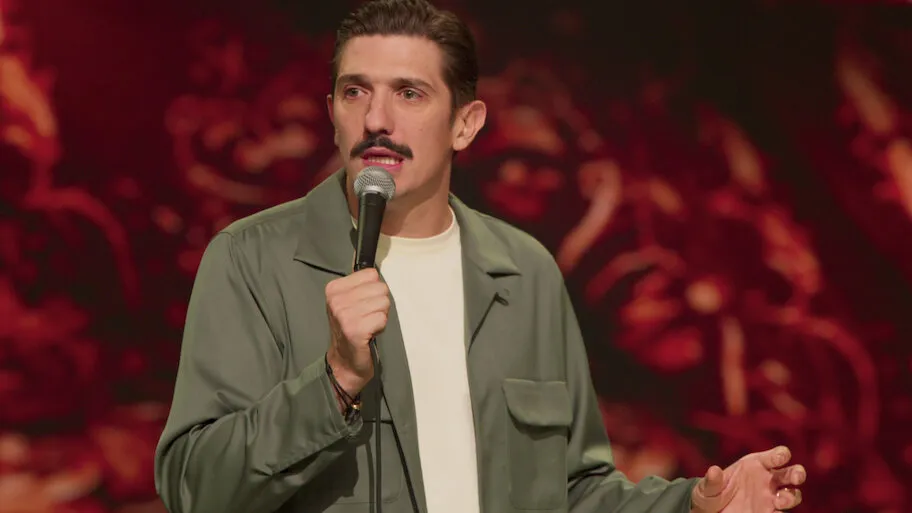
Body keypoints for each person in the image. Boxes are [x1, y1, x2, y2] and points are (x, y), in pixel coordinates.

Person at [153, 0, 807, 511]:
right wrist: (334, 381)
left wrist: (692, 506)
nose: (376, 119)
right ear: (331, 113)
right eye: (355, 92)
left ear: (465, 124)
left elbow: (573, 491)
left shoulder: (525, 272)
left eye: (409, 93)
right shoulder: (251, 260)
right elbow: (193, 488)